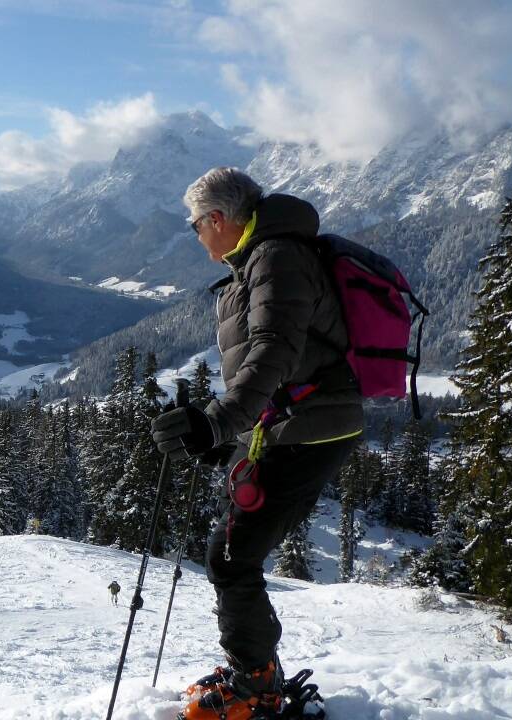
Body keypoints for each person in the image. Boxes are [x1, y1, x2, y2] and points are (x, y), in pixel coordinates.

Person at [150, 168, 363, 720]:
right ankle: (255, 672)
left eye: (197, 226)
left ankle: (258, 686)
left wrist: (218, 422)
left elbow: (274, 350)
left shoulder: (276, 257)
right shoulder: (266, 255)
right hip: (292, 425)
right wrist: (230, 435)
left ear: (218, 220)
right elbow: (280, 363)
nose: (198, 237)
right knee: (230, 551)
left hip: (308, 430)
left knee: (230, 555)